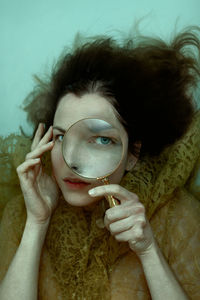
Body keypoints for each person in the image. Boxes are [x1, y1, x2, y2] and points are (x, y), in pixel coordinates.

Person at [0, 25, 200, 300]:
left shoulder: (177, 218)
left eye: (101, 140)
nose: (74, 163)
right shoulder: (20, 215)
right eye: (61, 137)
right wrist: (37, 223)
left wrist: (148, 250)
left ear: (133, 153)